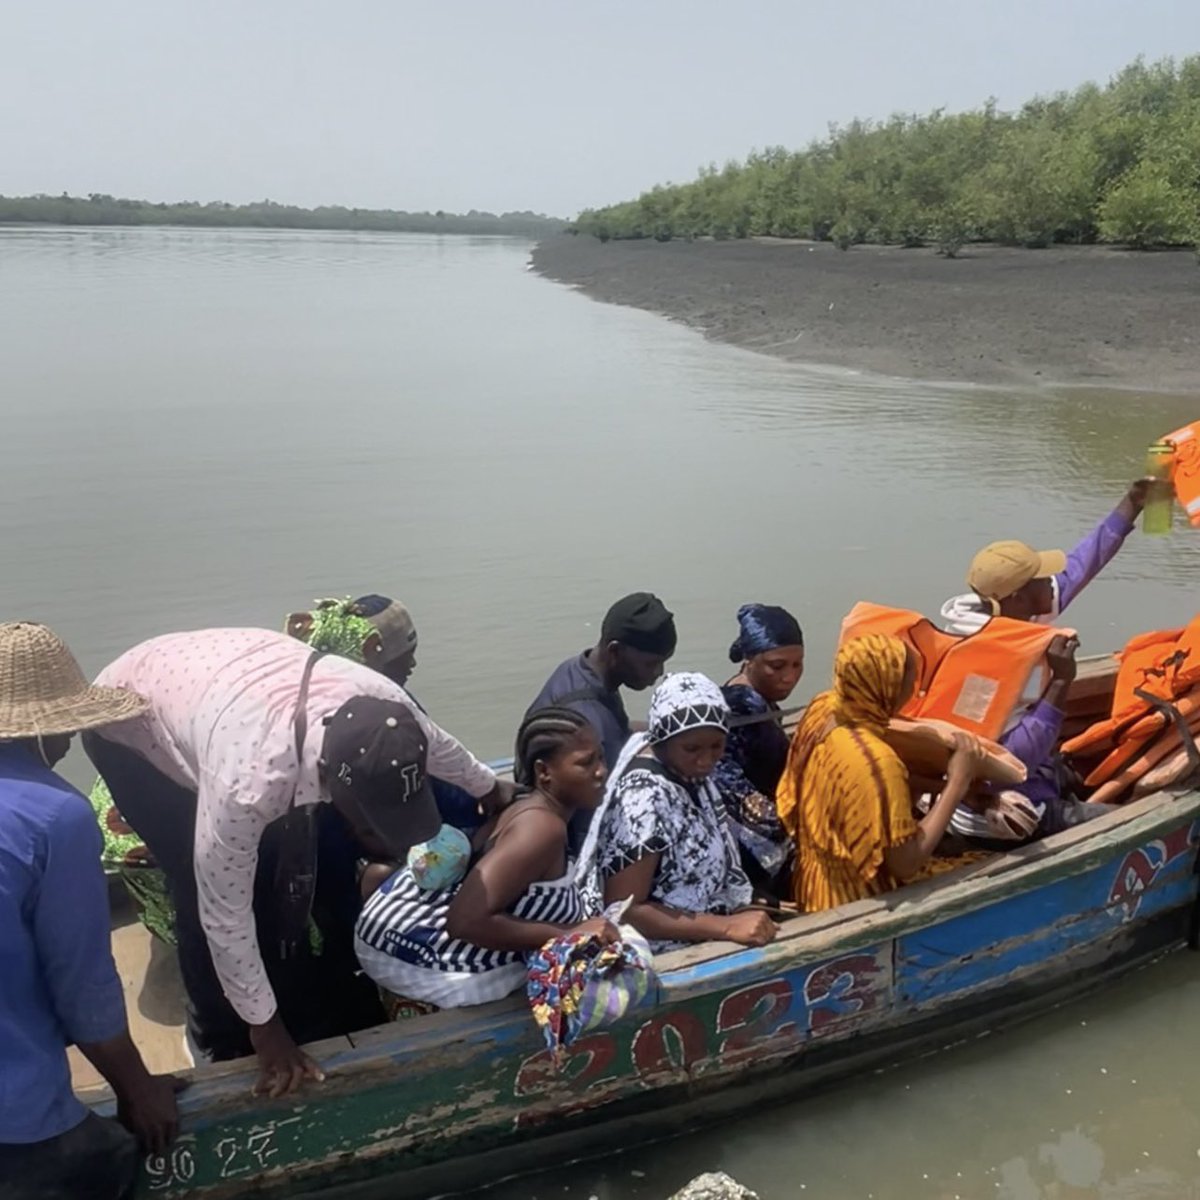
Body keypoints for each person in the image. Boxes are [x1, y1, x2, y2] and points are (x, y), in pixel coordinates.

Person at [83, 627, 511, 1096]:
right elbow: (223, 914)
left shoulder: (387, 711)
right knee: (197, 879)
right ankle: (219, 1035)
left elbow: (445, 752)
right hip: (129, 718)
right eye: (372, 821)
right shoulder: (247, 785)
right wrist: (265, 1030)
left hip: (226, 680)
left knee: (277, 870)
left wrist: (490, 789)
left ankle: (291, 990)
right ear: (329, 782)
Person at [0, 622, 179, 1200]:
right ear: (52, 733)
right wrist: (136, 1088)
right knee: (101, 1162)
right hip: (14, 1113)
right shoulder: (55, 815)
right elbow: (80, 984)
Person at [355, 707, 615, 1016]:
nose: (602, 771)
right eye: (586, 763)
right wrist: (572, 932)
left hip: (380, 942)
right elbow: (464, 921)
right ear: (544, 771)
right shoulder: (543, 828)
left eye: (601, 757)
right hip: (417, 966)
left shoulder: (525, 806)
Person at [938, 480, 1151, 833]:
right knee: (1133, 821)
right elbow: (1018, 757)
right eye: (1040, 579)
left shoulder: (1001, 610)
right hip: (1002, 809)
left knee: (1077, 770)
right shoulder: (988, 658)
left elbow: (1077, 569)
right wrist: (1061, 680)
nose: (1051, 582)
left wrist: (1132, 504)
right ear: (1019, 597)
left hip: (1010, 779)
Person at [777, 634, 986, 913]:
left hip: (813, 880)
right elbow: (905, 864)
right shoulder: (876, 762)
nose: (914, 690)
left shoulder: (822, 708)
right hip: (854, 898)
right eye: (910, 681)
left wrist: (933, 786)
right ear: (887, 687)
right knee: (983, 860)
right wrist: (957, 783)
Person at [576, 672, 776, 953]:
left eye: (716, 746)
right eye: (691, 748)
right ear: (662, 740)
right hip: (661, 952)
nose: (706, 760)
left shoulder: (688, 773)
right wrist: (727, 927)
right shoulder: (644, 798)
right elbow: (624, 911)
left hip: (702, 925)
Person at [286, 594, 481, 830]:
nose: (412, 664)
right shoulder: (390, 706)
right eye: (405, 655)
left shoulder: (306, 694)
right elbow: (437, 777)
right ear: (374, 653)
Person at [524, 592, 677, 849]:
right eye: (652, 663)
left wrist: (670, 731)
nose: (658, 673)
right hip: (570, 837)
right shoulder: (585, 719)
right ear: (615, 651)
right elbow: (589, 826)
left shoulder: (582, 669)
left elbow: (618, 728)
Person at [711, 603, 805, 894]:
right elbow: (742, 801)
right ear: (749, 660)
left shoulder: (752, 696)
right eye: (776, 666)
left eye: (797, 664)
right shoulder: (742, 709)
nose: (789, 677)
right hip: (746, 851)